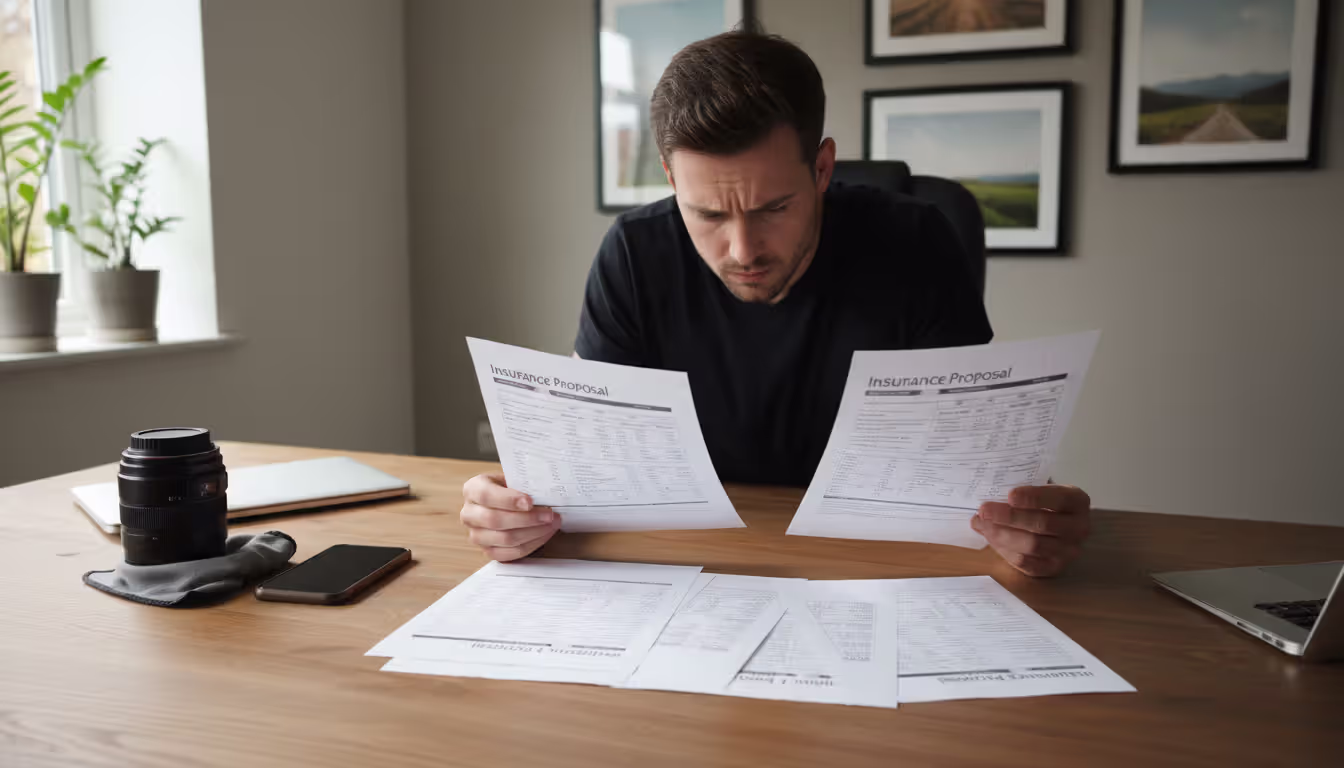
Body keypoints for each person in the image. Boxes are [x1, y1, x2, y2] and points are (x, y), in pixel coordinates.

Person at [460, 31, 1091, 576]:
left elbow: (967, 471)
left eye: (774, 208)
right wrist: (517, 513)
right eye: (707, 213)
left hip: (877, 567)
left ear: (822, 169)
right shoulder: (633, 253)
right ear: (671, 178)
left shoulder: (918, 244)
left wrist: (1027, 524)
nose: (741, 249)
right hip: (701, 566)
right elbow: (593, 462)